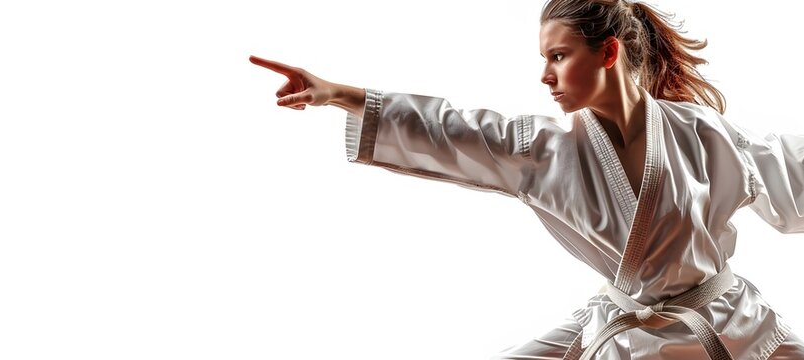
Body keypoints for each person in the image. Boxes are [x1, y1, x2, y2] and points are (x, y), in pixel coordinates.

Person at [250, 0, 804, 359]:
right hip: (625, 324)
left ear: (607, 52)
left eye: (558, 56)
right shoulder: (546, 151)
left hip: (727, 320)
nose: (545, 75)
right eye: (545, 58)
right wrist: (337, 94)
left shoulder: (698, 132)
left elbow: (783, 164)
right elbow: (453, 130)